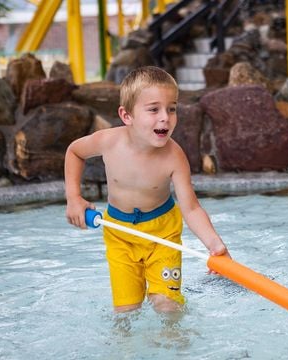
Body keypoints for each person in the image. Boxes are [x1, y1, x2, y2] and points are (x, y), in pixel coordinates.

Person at [64, 66, 230, 314]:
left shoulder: (174, 156)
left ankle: (175, 347)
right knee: (126, 312)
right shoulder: (109, 142)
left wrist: (215, 245)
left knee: (167, 306)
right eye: (154, 109)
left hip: (162, 236)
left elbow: (191, 208)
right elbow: (74, 152)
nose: (165, 117)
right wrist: (74, 198)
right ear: (127, 115)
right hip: (119, 235)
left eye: (171, 109)